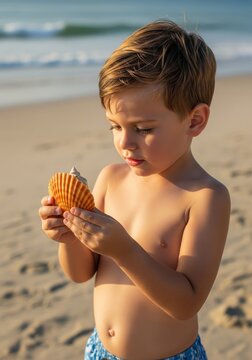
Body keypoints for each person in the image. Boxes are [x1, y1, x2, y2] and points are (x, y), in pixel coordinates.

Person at [39, 20, 230, 360]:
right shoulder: (111, 179)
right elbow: (81, 273)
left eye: (143, 129)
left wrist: (125, 249)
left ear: (194, 121)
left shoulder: (204, 198)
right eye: (115, 126)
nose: (125, 143)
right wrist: (68, 236)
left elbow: (186, 303)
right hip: (100, 351)